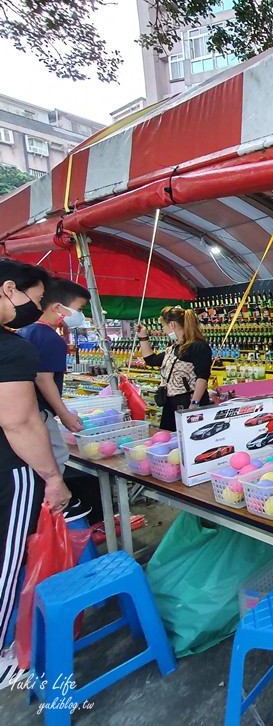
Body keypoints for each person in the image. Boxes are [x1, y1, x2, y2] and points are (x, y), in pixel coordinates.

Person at [0, 258, 72, 688]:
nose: (38, 307)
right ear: (9, 289)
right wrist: (52, 477)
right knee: (8, 562)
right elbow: (20, 423)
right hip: (10, 470)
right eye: (37, 298)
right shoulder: (11, 347)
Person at [17, 278, 91, 474]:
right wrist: (64, 414)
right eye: (80, 309)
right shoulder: (51, 339)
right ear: (58, 307)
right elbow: (43, 378)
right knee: (54, 461)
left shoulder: (25, 331)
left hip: (25, 413)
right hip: (40, 413)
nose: (81, 315)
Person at [135, 306, 212, 431]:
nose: (163, 330)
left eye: (163, 326)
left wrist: (194, 404)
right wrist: (143, 337)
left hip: (188, 402)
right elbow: (151, 360)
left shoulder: (198, 346)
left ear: (172, 324)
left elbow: (202, 378)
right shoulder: (174, 347)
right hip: (170, 402)